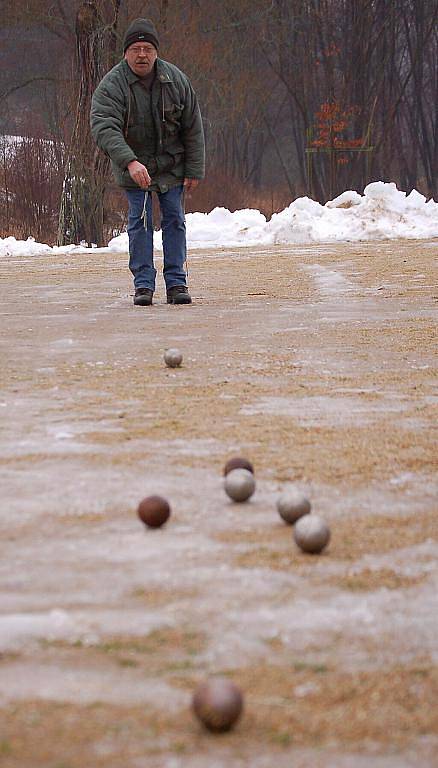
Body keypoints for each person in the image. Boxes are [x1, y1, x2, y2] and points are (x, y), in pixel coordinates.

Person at [91, 18, 205, 305]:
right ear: (125, 53)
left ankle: (177, 283)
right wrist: (129, 161)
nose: (142, 55)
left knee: (175, 220)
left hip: (172, 165)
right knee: (140, 221)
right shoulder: (112, 86)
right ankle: (143, 286)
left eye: (148, 49)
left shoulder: (176, 80)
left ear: (156, 52)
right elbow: (104, 126)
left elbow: (192, 125)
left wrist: (193, 168)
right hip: (134, 165)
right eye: (136, 49)